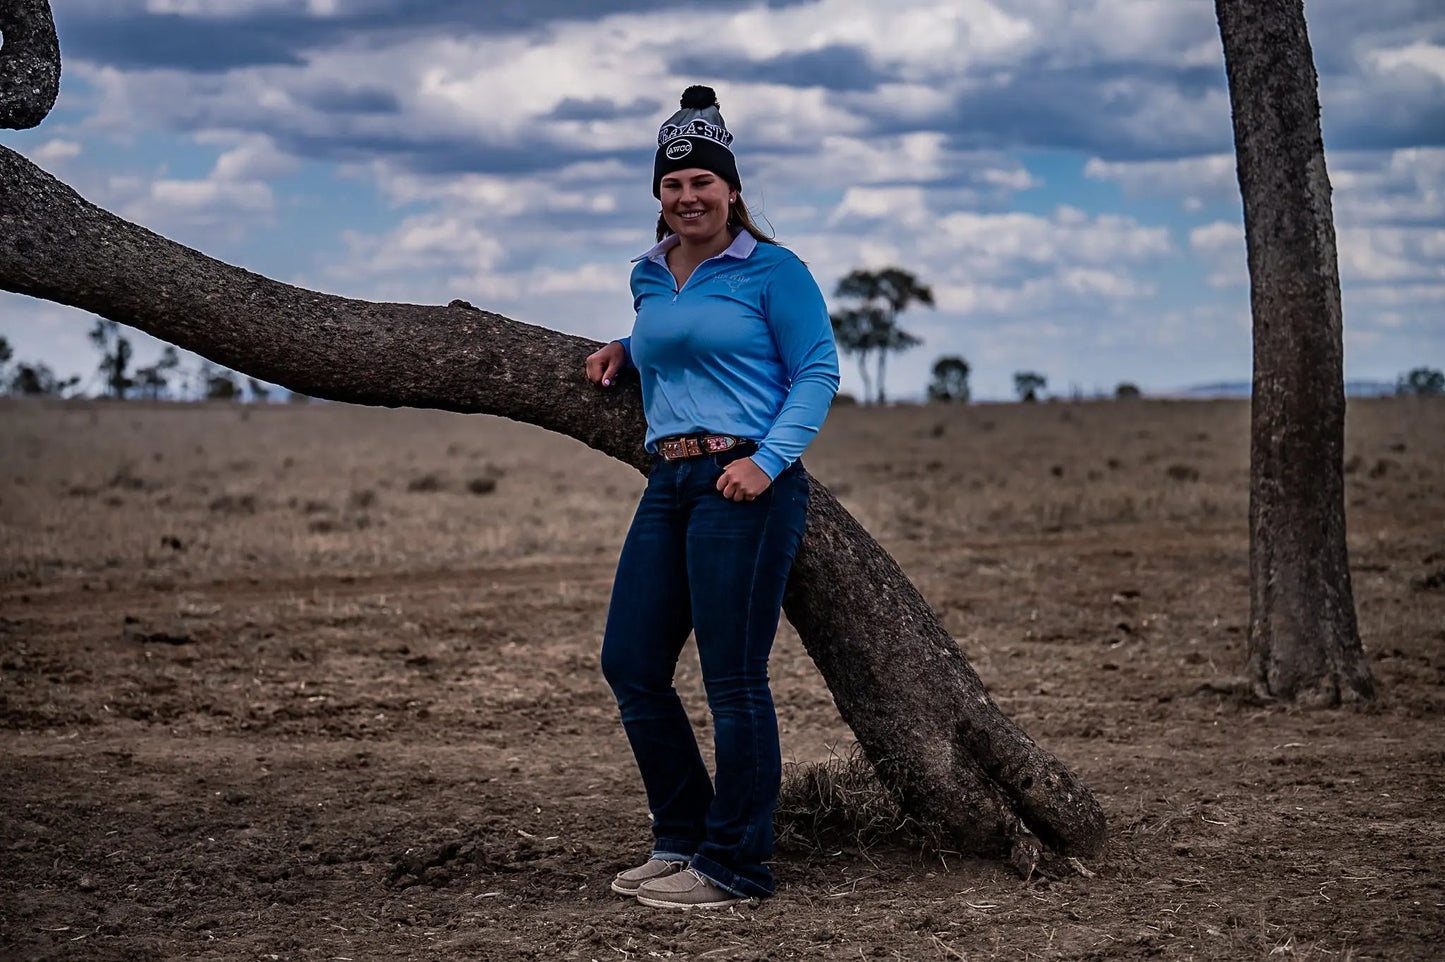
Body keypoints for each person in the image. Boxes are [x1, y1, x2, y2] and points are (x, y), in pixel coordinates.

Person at [583, 85, 840, 910]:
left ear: (731, 189)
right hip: (670, 480)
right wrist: (626, 347)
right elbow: (677, 337)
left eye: (703, 182)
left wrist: (768, 462)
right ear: (657, 195)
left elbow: (816, 371)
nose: (688, 197)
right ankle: (684, 836)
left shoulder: (773, 270)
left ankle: (736, 866)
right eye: (672, 185)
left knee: (732, 679)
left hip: (744, 484)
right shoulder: (649, 275)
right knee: (629, 662)